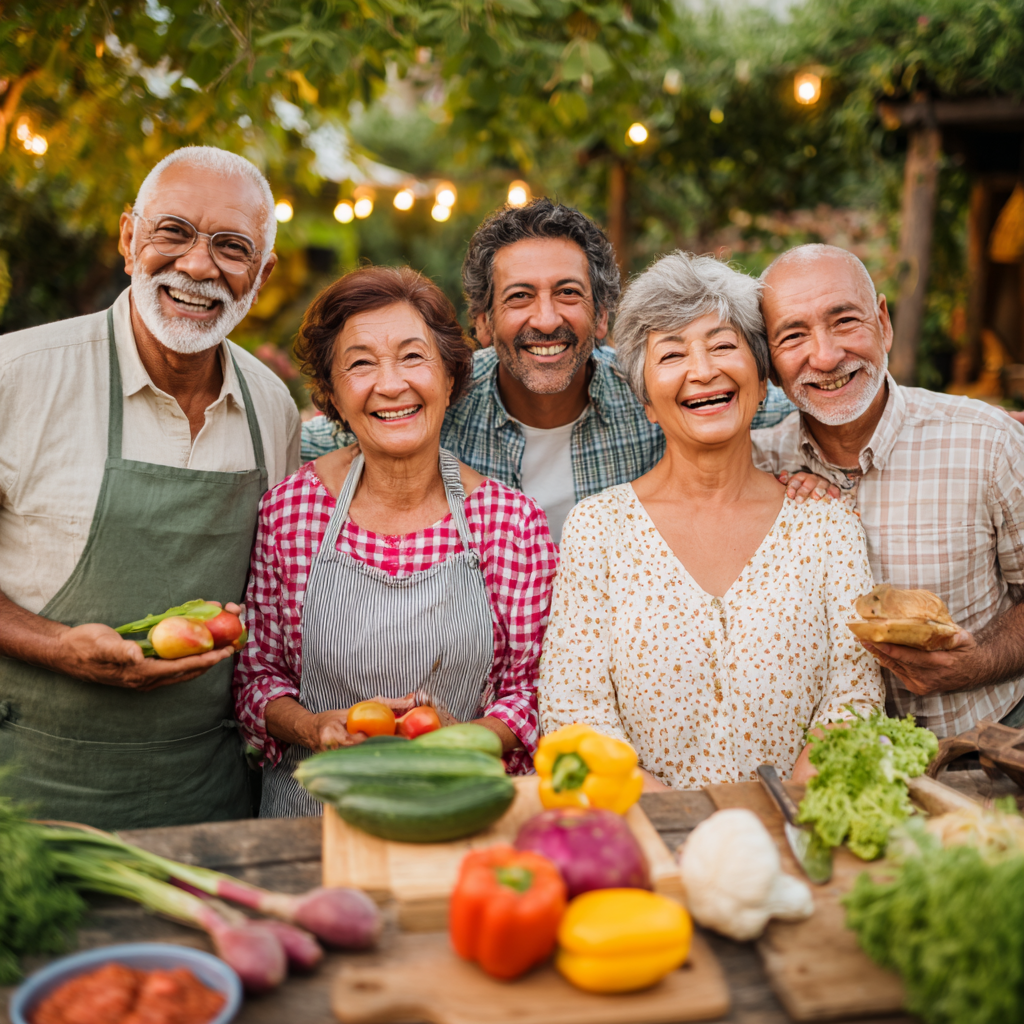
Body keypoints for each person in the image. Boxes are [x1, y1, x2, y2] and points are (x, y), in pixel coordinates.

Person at [0, 146, 300, 830]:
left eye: (231, 246)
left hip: (205, 795)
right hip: (28, 789)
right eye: (173, 232)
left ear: (263, 272)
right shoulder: (16, 378)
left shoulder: (271, 404)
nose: (198, 266)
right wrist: (55, 644)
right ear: (128, 238)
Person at [538, 252, 882, 788]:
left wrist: (785, 816)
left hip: (795, 836)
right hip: (647, 841)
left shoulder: (825, 523)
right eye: (671, 355)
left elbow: (854, 696)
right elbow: (573, 710)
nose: (702, 371)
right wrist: (671, 820)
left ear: (763, 380)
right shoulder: (597, 529)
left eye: (724, 346)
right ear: (646, 399)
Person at [234, 265, 559, 817]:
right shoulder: (290, 511)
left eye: (413, 356)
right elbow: (256, 675)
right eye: (360, 363)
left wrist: (467, 738)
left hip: (456, 808)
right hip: (310, 816)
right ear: (333, 395)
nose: (391, 384)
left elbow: (534, 693)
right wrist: (313, 726)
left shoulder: (511, 522)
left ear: (450, 378)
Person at [302, 199, 795, 542]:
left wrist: (813, 468)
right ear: (483, 322)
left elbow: (775, 405)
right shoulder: (432, 402)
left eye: (568, 293)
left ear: (602, 317)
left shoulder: (652, 391)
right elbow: (324, 433)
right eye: (519, 297)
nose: (546, 319)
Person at [751, 243, 1024, 738]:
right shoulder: (756, 466)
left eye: (845, 321)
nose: (827, 355)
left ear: (884, 322)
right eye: (793, 335)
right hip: (820, 764)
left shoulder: (987, 442)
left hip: (987, 740)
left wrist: (979, 660)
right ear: (768, 362)